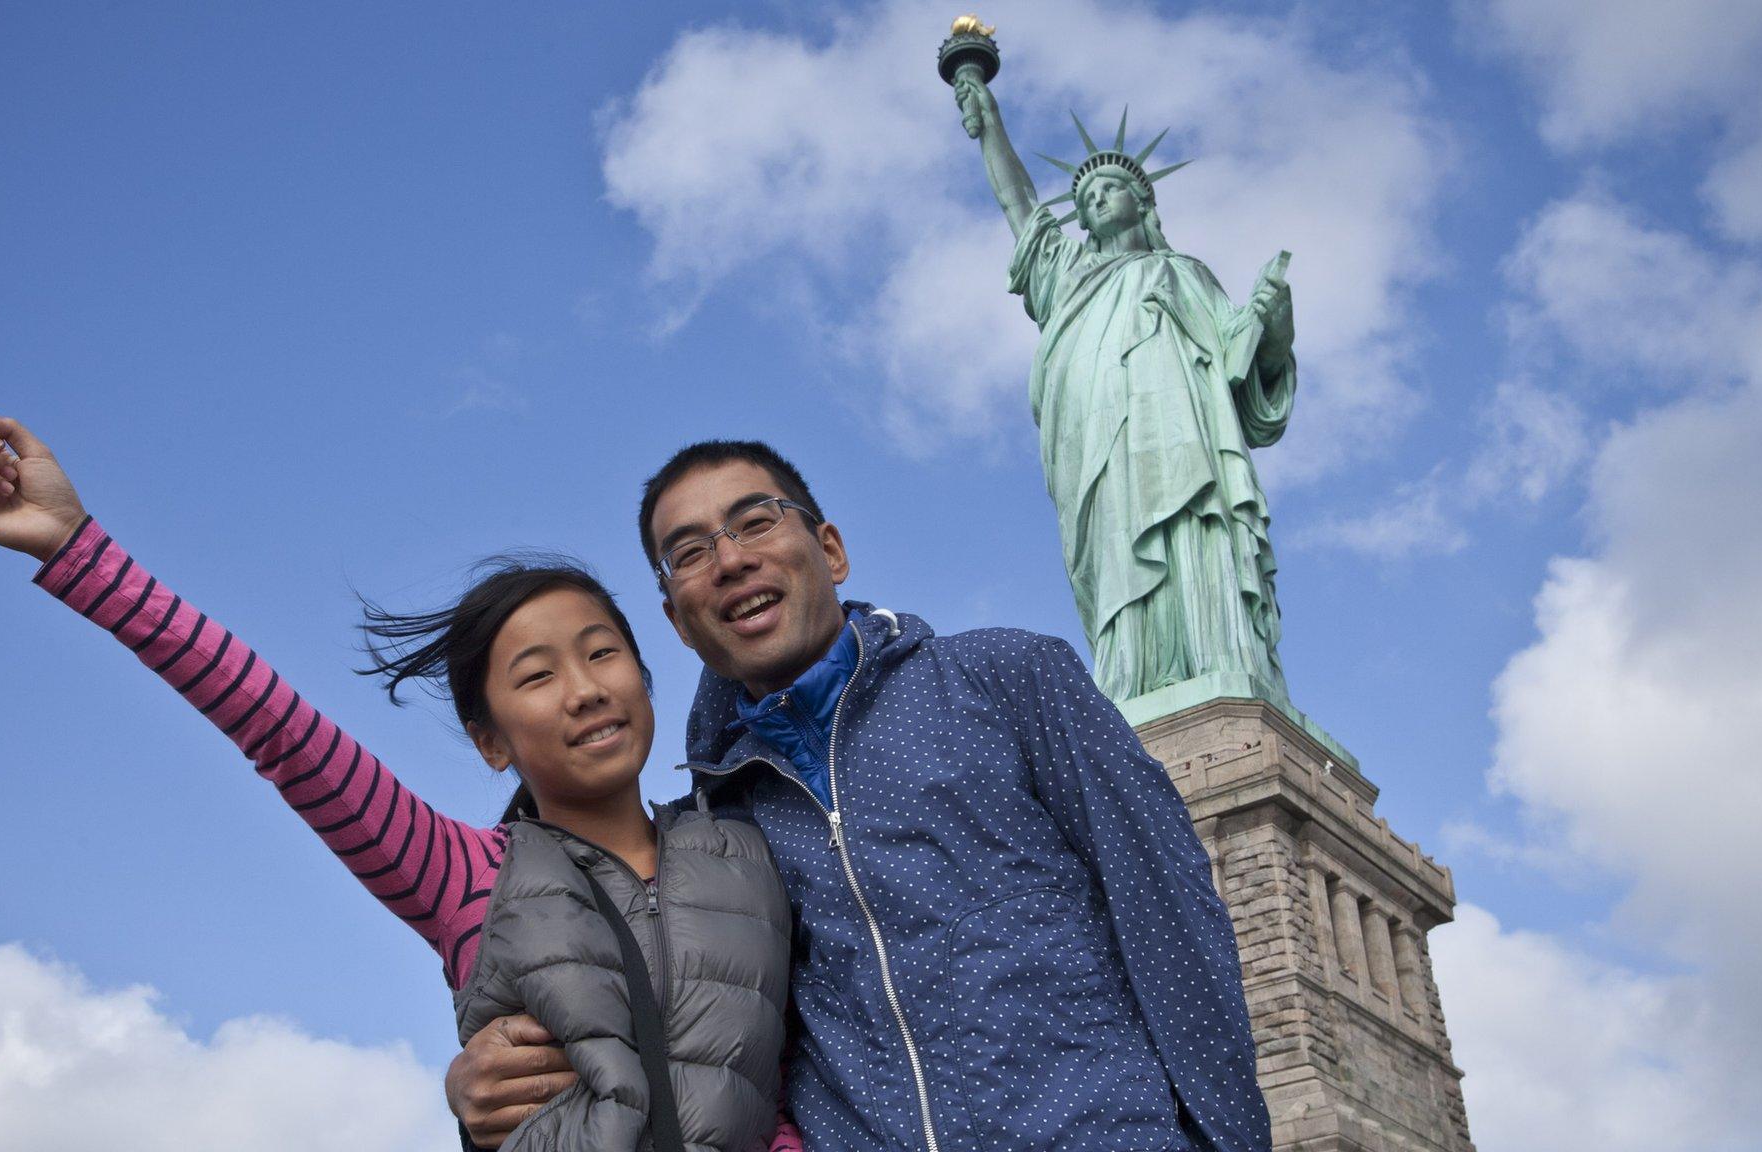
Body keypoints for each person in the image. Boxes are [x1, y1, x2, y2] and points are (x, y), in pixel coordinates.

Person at [0, 411, 804, 1152]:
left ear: (646, 679)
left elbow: (797, 1079)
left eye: (603, 653)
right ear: (489, 742)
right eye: (536, 677)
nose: (583, 690)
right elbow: (275, 726)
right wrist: (78, 551)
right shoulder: (463, 875)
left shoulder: (749, 849)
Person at [450, 441, 1271, 1151]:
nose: (730, 558)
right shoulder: (710, 832)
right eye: (691, 551)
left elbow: (1172, 922)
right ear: (675, 620)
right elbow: (678, 1054)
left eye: (756, 521)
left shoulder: (1009, 679)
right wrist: (477, 1089)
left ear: (831, 550)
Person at [951, 69, 1299, 708]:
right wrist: (990, 127)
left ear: (1142, 201)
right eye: (1084, 199)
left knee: (1197, 529)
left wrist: (1275, 328)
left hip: (1187, 440)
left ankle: (1223, 660)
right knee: (1117, 553)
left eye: (1110, 189)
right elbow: (1018, 206)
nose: (1095, 202)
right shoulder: (1068, 277)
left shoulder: (1187, 274)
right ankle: (1133, 682)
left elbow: (1246, 374)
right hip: (1098, 448)